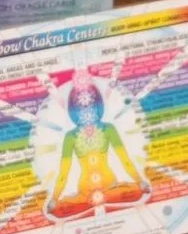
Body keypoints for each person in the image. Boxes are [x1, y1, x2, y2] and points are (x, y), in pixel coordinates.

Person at [46, 72, 150, 219]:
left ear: (98, 108)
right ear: (74, 114)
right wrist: (55, 199)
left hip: (111, 186)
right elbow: (64, 172)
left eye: (91, 111)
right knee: (60, 209)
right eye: (82, 114)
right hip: (84, 192)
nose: (88, 118)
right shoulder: (70, 137)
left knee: (135, 192)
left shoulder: (108, 129)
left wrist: (140, 182)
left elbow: (124, 159)